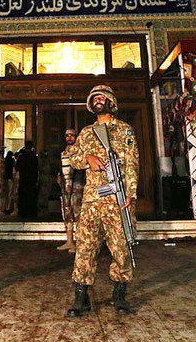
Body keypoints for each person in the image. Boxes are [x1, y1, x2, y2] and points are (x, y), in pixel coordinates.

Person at [67, 85, 139, 317]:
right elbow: (74, 157)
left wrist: (130, 193)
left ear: (111, 102)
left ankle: (119, 294)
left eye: (102, 97)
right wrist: (88, 158)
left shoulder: (124, 130)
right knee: (85, 247)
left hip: (117, 200)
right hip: (91, 199)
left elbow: (132, 163)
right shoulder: (87, 133)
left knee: (121, 247)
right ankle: (82, 296)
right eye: (94, 98)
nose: (98, 100)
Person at [56, 129, 86, 253]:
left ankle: (79, 242)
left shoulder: (80, 152)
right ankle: (69, 241)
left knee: (78, 214)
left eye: (72, 135)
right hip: (65, 188)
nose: (69, 138)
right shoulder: (63, 153)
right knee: (67, 214)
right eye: (67, 135)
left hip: (77, 187)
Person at [14, 141, 38, 218]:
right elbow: (37, 168)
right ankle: (31, 212)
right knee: (31, 197)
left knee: (23, 197)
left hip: (23, 180)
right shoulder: (34, 157)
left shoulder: (22, 157)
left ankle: (23, 212)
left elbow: (17, 167)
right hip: (32, 180)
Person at [3, 150, 17, 215]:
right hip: (10, 178)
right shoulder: (12, 161)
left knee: (6, 193)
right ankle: (8, 207)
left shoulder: (5, 160)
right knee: (10, 193)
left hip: (5, 178)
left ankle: (5, 207)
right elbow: (14, 170)